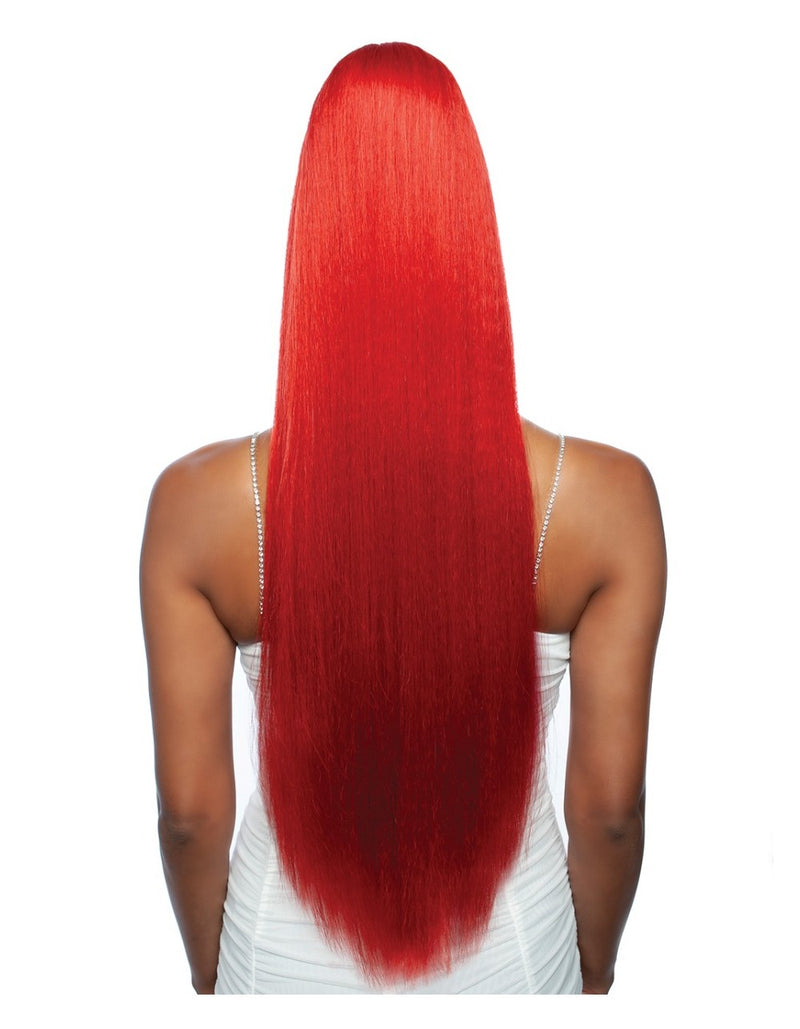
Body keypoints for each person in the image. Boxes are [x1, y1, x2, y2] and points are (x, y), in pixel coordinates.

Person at [140, 42, 666, 995]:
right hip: (515, 963)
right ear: (471, 230)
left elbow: (188, 815)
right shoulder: (603, 499)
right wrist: (589, 974)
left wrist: (218, 980)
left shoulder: (199, 506)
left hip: (275, 962)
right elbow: (610, 810)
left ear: (315, 233)